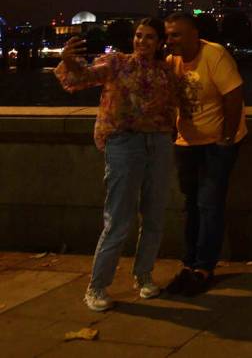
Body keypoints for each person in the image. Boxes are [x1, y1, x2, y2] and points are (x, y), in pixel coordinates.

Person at [55, 18, 178, 312]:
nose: (142, 42)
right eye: (138, 36)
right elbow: (82, 78)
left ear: (160, 42)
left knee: (154, 216)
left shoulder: (166, 71)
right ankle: (96, 287)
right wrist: (68, 61)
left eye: (149, 37)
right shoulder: (116, 63)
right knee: (118, 219)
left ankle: (144, 276)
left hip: (158, 143)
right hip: (124, 144)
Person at [163, 12, 246, 296]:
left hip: (217, 143)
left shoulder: (215, 55)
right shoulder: (171, 62)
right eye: (168, 34)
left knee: (209, 203)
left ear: (194, 34)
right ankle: (189, 263)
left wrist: (226, 137)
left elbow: (234, 96)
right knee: (191, 203)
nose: (170, 40)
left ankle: (203, 267)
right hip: (186, 143)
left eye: (176, 35)